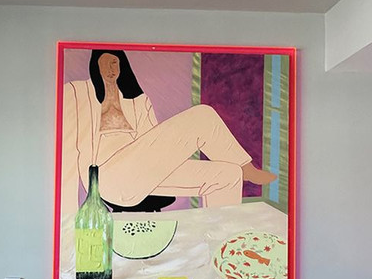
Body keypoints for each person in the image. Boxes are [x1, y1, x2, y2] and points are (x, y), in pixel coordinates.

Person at [60, 49, 276, 221]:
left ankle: (221, 243)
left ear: (122, 66)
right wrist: (67, 221)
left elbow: (154, 145)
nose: (110, 68)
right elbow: (68, 152)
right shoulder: (77, 93)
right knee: (203, 115)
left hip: (139, 175)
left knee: (227, 175)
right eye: (104, 62)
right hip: (106, 178)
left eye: (114, 63)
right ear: (95, 65)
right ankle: (246, 167)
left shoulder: (138, 100)